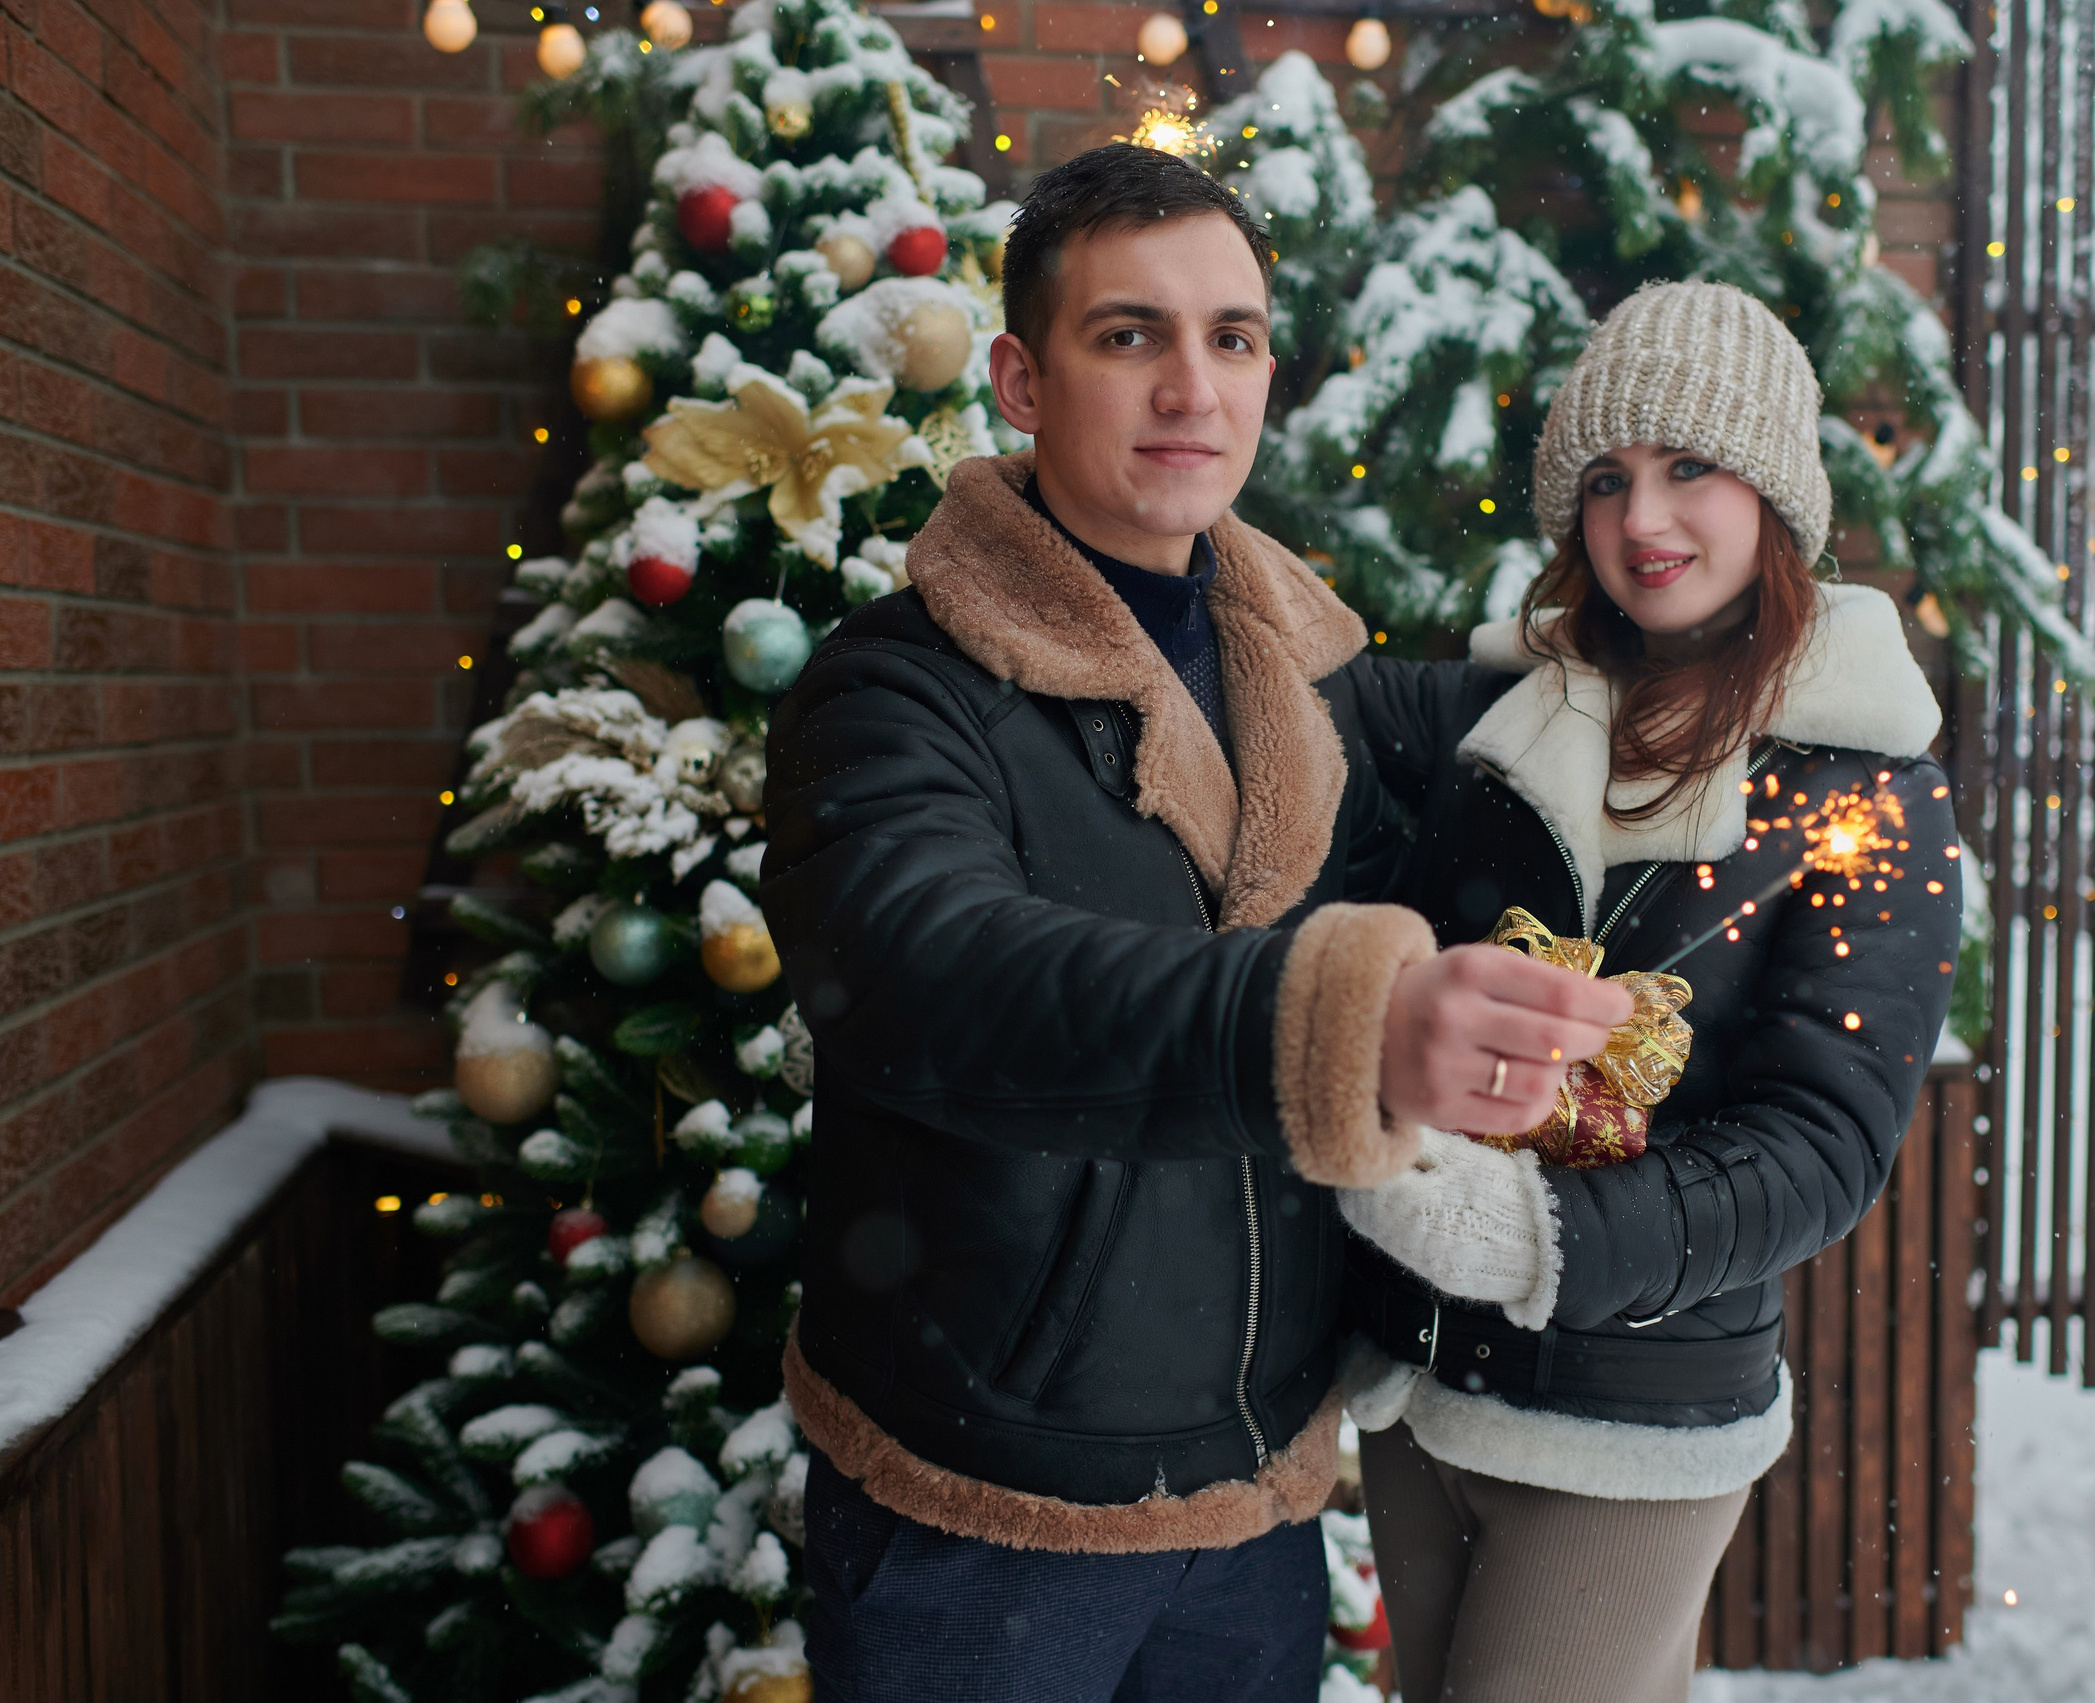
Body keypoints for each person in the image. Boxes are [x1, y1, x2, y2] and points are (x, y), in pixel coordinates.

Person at [758, 144, 1632, 1703]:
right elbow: (938, 970)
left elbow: (1579, 710)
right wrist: (1336, 1020)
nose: (1191, 388)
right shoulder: (896, 690)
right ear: (1022, 378)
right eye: (1128, 335)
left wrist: (1784, 671)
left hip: (1255, 1504)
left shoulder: (1321, 688)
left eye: (1230, 338)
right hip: (982, 1519)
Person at [1336, 281, 1963, 1703]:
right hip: (1419, 1379)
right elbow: (1280, 708)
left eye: (1691, 468)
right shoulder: (1504, 713)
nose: (1643, 521)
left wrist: (1540, 1234)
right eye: (1607, 481)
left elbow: (1823, 1144)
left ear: (1776, 494)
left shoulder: (1861, 791)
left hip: (1632, 1418)